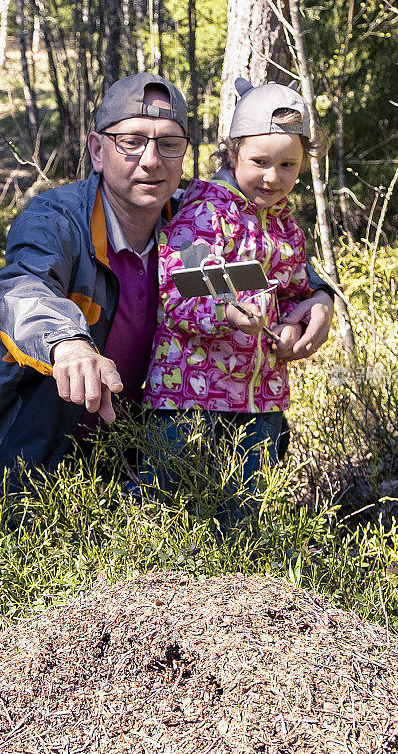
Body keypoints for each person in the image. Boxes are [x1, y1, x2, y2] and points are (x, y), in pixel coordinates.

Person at [0, 73, 334, 495]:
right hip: (28, 447)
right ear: (98, 150)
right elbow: (20, 287)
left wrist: (319, 296)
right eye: (131, 142)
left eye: (169, 145)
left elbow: (260, 250)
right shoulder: (57, 221)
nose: (151, 161)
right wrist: (69, 343)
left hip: (132, 453)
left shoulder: (197, 217)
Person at [140, 78, 328, 506]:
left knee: (246, 506)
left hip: (261, 397)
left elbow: (296, 290)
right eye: (259, 160)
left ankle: (246, 572)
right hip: (188, 394)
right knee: (165, 500)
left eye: (288, 166)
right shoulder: (208, 213)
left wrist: (300, 319)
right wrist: (225, 315)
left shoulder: (286, 228)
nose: (272, 176)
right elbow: (177, 292)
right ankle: (142, 571)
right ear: (232, 151)